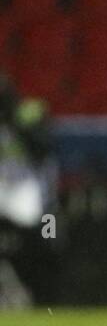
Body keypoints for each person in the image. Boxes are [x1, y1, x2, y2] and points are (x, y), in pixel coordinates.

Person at [0, 73, 56, 306]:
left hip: (34, 193)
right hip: (4, 191)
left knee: (47, 241)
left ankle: (45, 297)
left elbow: (42, 149)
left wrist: (14, 122)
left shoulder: (30, 113)